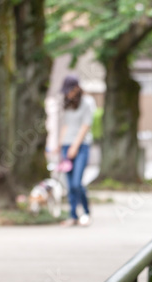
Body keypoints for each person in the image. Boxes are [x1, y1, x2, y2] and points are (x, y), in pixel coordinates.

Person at [59, 74, 96, 227]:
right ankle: (73, 215)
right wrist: (60, 145)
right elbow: (66, 125)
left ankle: (86, 213)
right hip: (66, 146)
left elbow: (85, 125)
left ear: (76, 88)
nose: (68, 94)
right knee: (69, 184)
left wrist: (75, 146)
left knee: (77, 183)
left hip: (81, 146)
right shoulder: (67, 104)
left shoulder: (88, 102)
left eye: (70, 90)